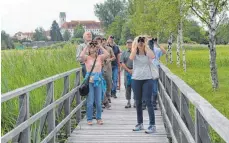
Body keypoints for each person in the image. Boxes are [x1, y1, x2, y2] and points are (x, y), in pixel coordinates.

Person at [129, 35, 156, 133]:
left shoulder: (147, 51)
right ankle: (140, 123)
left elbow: (153, 56)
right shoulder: (135, 51)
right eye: (139, 41)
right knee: (138, 102)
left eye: (142, 41)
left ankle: (152, 125)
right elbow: (131, 58)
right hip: (136, 78)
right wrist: (136, 46)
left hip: (147, 78)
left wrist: (146, 45)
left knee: (148, 101)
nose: (141, 42)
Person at [80, 40, 109, 125]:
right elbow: (81, 56)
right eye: (91, 47)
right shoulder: (86, 58)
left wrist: (100, 46)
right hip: (90, 81)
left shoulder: (99, 57)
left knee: (98, 101)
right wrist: (87, 46)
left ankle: (99, 118)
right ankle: (89, 118)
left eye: (94, 47)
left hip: (98, 80)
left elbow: (107, 54)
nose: (93, 48)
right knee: (90, 101)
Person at [147, 36, 166, 110]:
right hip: (147, 70)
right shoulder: (145, 49)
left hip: (154, 70)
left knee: (154, 88)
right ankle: (148, 102)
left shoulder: (157, 49)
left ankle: (153, 103)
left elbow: (164, 52)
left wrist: (157, 43)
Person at [120, 39, 135, 108]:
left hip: (135, 71)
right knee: (127, 86)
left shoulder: (136, 52)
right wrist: (128, 70)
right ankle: (128, 102)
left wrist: (134, 70)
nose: (129, 45)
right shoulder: (124, 53)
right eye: (128, 43)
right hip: (127, 72)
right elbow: (122, 63)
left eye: (131, 43)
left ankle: (135, 102)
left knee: (135, 87)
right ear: (126, 45)